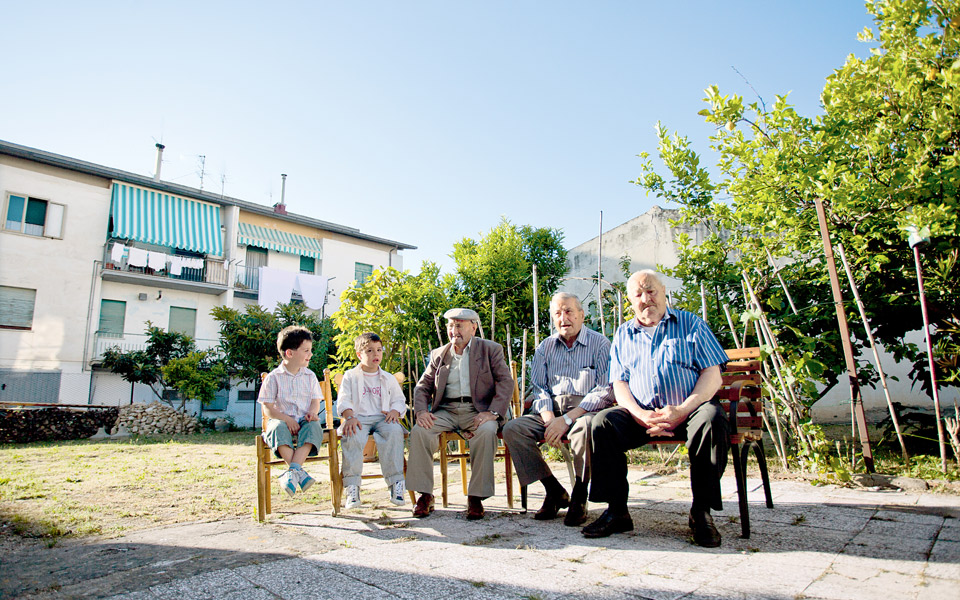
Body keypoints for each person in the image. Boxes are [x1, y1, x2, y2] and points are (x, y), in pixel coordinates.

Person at [582, 270, 730, 548]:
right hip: (643, 415)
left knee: (712, 418)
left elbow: (713, 375)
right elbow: (620, 384)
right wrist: (640, 413)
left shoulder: (690, 324)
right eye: (638, 294)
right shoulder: (624, 333)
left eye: (651, 291)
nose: (646, 298)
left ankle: (701, 512)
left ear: (664, 293)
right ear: (630, 300)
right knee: (602, 423)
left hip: (689, 411)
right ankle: (617, 511)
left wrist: (683, 410)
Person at [502, 292, 614, 526]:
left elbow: (605, 389)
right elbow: (539, 387)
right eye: (557, 314)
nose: (564, 318)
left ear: (582, 315)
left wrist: (568, 419)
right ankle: (553, 489)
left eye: (569, 311)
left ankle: (579, 496)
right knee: (513, 429)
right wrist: (549, 417)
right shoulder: (545, 347)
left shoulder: (600, 343)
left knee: (585, 430)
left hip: (584, 411)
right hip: (550, 410)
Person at [407, 308, 513, 520]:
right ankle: (425, 495)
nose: (454, 330)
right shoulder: (439, 354)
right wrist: (420, 412)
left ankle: (476, 496)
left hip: (478, 410)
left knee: (487, 430)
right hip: (445, 410)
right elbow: (422, 387)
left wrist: (493, 412)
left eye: (459, 325)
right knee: (420, 431)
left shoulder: (490, 349)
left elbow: (505, 381)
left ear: (473, 327)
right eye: (450, 326)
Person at [337, 332, 407, 509]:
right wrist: (350, 417)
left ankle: (396, 483)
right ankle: (352, 487)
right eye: (369, 351)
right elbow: (343, 400)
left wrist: (395, 411)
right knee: (351, 436)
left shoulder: (388, 378)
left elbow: (400, 400)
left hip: (383, 418)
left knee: (394, 432)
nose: (376, 354)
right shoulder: (350, 376)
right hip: (358, 419)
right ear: (359, 355)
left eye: (379, 350)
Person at [258, 325, 325, 497]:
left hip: (304, 421)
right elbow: (268, 408)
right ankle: (299, 473)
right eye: (306, 350)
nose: (310, 354)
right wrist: (287, 419)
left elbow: (315, 401)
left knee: (314, 427)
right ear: (290, 353)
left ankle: (293, 471)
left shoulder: (310, 376)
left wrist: (312, 412)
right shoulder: (273, 377)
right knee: (276, 428)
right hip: (280, 420)